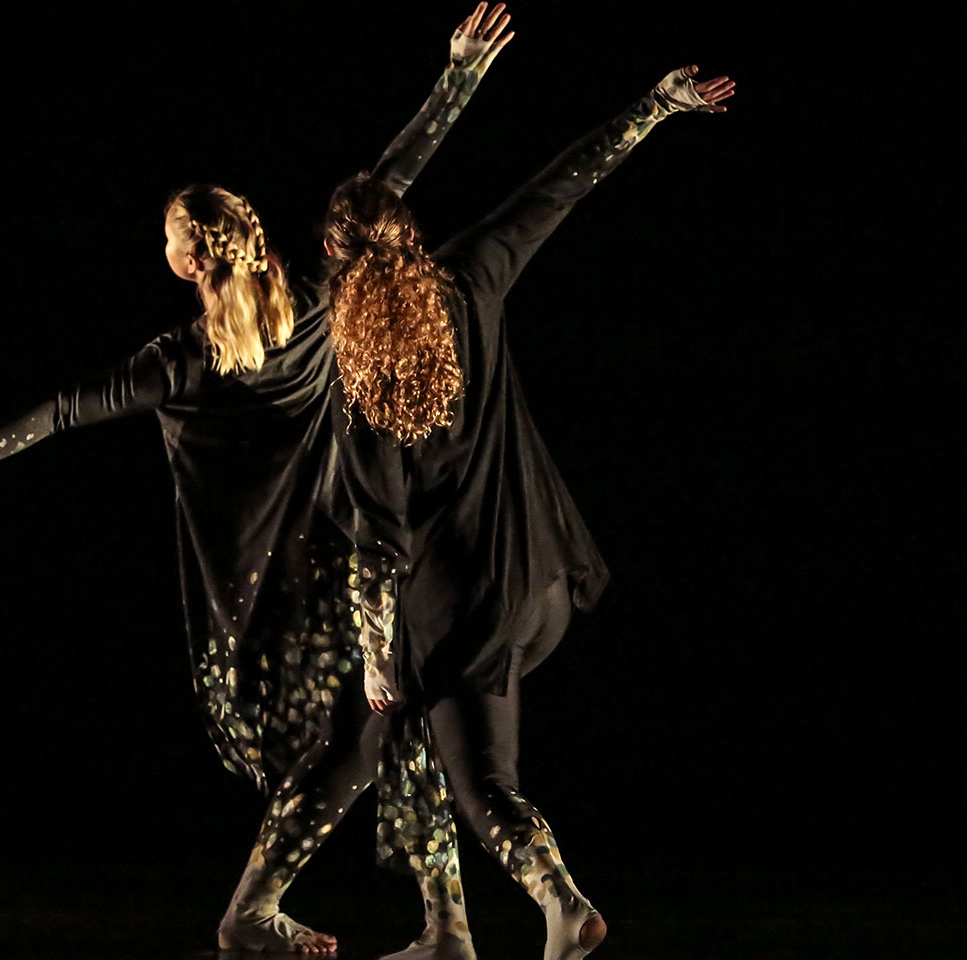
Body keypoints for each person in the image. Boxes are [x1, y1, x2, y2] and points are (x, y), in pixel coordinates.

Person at [0, 6, 516, 954]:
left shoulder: (191, 353)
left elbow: (57, 410)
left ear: (195, 256)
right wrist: (458, 77)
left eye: (171, 231)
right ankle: (298, 912)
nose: (165, 242)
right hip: (308, 587)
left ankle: (412, 922)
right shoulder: (296, 312)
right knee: (377, 727)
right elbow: (390, 179)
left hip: (291, 591)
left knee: (384, 724)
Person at [320, 63, 736, 960]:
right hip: (543, 573)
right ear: (410, 237)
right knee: (432, 751)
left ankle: (562, 905)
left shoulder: (361, 382)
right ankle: (446, 933)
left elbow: (377, 541)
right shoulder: (470, 278)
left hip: (464, 607)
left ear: (339, 272)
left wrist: (372, 653)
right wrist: (656, 106)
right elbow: (560, 184)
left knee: (481, 784)